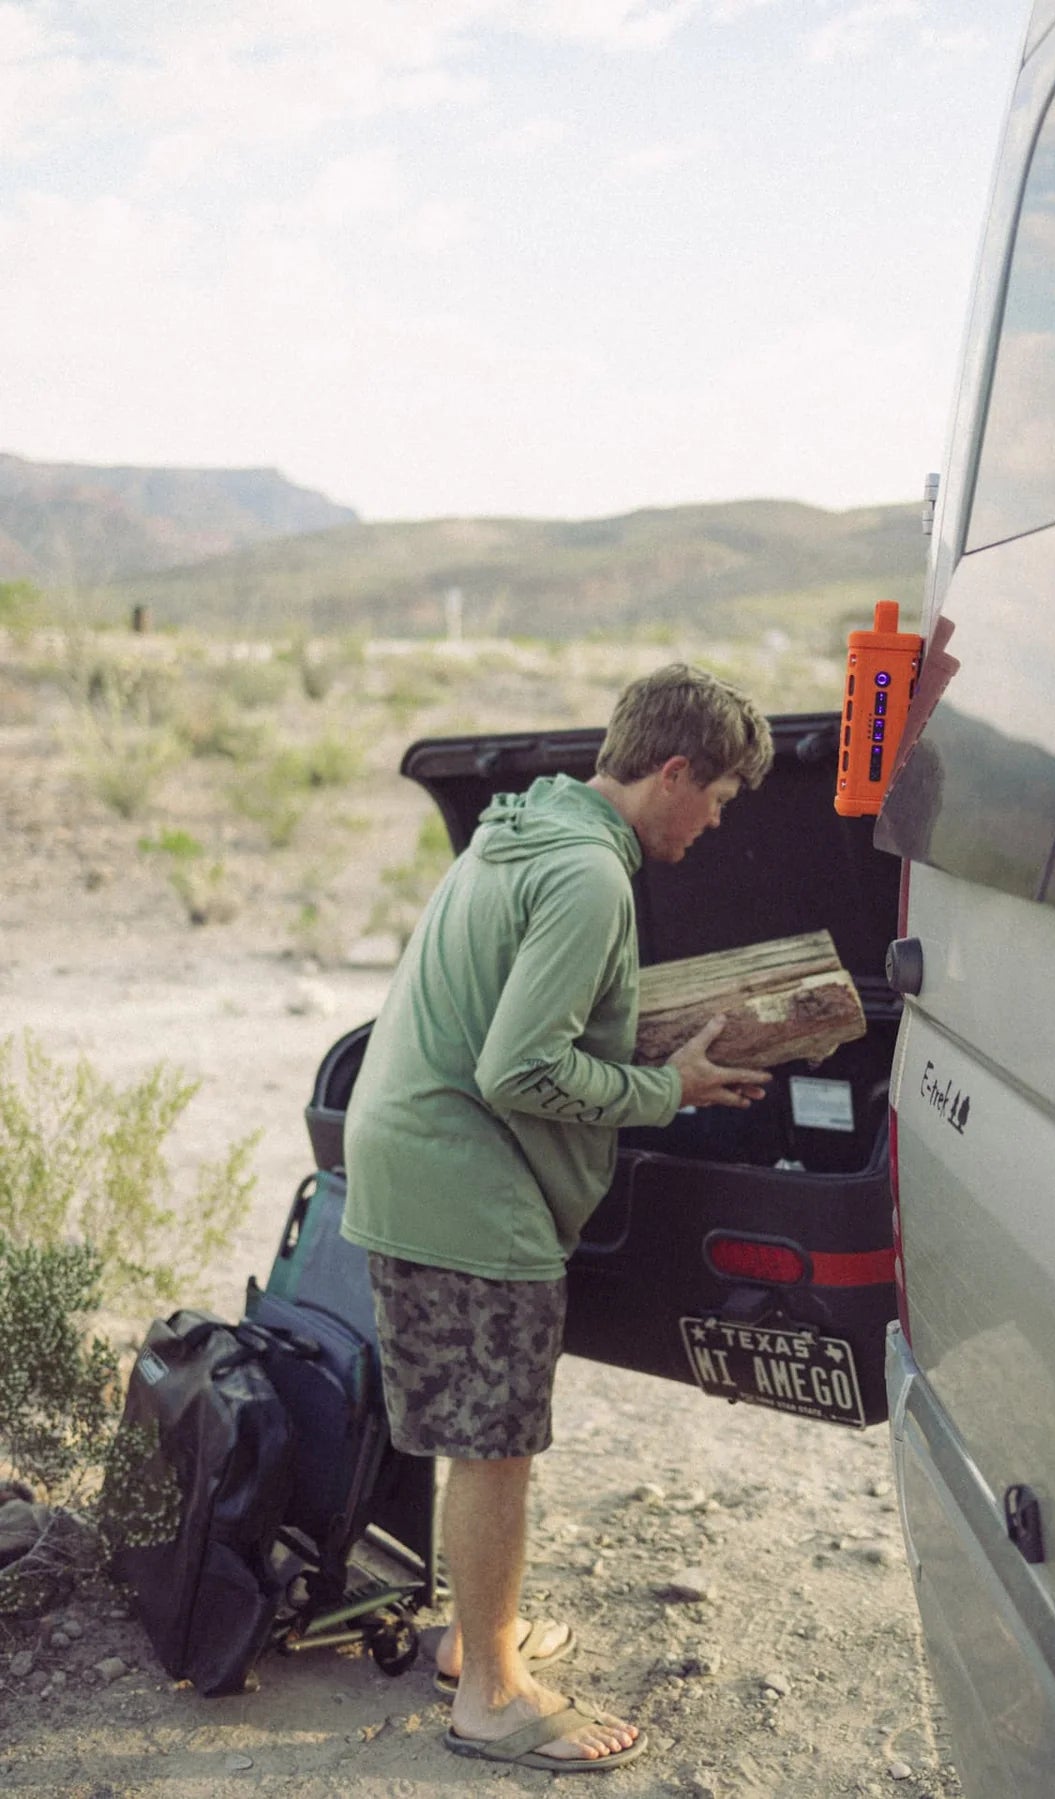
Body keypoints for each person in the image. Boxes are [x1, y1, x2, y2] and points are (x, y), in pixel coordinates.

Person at [341, 662, 774, 1773]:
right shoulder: (589, 875)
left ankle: (469, 1641)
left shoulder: (524, 828)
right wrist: (667, 1091)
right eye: (718, 793)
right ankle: (491, 1692)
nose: (718, 819)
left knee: (480, 1434)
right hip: (463, 1179)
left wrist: (649, 1050)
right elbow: (520, 1068)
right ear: (673, 770)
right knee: (498, 1447)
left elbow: (513, 1018)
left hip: (410, 1156)